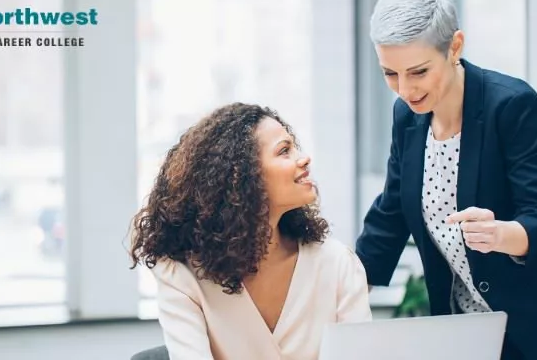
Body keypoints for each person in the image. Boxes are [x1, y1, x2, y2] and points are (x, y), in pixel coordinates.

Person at [354, 0, 537, 359]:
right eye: (390, 73)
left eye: (418, 71)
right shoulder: (407, 116)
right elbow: (390, 212)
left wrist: (501, 234)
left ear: (455, 47)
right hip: (475, 327)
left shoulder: (512, 106)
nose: (404, 89)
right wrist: (346, 291)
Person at [129, 102, 372, 360]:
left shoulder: (338, 264)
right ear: (244, 175)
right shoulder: (182, 274)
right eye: (284, 151)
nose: (304, 158)